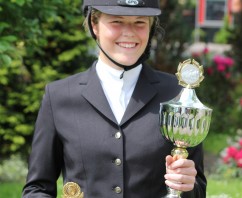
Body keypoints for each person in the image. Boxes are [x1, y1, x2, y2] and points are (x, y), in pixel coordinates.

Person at [22, 0, 206, 197]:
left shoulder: (177, 94)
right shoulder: (59, 96)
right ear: (94, 25)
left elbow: (197, 188)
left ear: (151, 28)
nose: (129, 32)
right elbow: (37, 189)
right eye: (117, 21)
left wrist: (186, 185)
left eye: (139, 22)